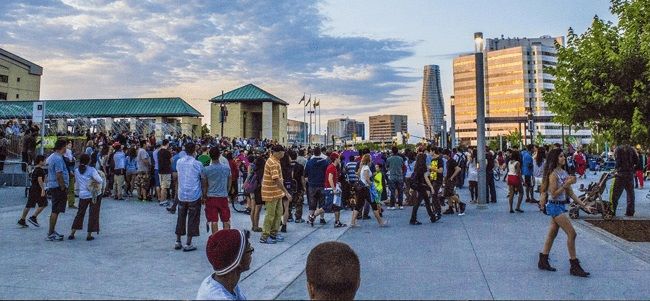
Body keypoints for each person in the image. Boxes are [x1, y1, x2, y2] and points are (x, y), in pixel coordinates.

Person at [538, 148, 592, 277]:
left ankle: (543, 260)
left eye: (564, 156)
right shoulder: (553, 175)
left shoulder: (563, 172)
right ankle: (574, 265)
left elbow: (571, 193)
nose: (563, 158)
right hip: (555, 206)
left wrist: (584, 206)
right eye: (561, 156)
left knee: (552, 234)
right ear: (555, 158)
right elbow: (554, 194)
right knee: (572, 234)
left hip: (560, 206)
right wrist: (566, 184)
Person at [196, 229, 253, 300]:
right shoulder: (220, 297)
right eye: (249, 250)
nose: (251, 253)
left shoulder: (225, 281)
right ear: (238, 262)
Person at [175, 142, 207, 252]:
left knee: (181, 216)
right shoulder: (198, 164)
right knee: (193, 218)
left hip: (182, 193)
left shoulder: (179, 162)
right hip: (194, 193)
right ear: (194, 150)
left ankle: (178, 240)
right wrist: (204, 193)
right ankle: (188, 243)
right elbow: (202, 179)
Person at [260, 145, 292, 244]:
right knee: (270, 215)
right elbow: (277, 180)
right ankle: (265, 236)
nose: (284, 154)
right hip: (271, 193)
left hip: (277, 192)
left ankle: (273, 233)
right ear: (278, 153)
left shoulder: (276, 161)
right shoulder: (272, 162)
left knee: (278, 213)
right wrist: (286, 192)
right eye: (283, 152)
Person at [69, 154, 105, 241]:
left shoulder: (77, 170)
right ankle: (89, 235)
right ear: (88, 161)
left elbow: (77, 182)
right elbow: (100, 180)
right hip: (93, 194)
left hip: (82, 194)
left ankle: (72, 233)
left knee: (80, 214)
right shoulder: (92, 170)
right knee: (93, 214)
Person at [310, 152, 347, 228]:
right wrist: (334, 189)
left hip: (332, 188)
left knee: (337, 206)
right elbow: (330, 179)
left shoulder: (333, 167)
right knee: (327, 206)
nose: (340, 159)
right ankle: (312, 216)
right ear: (336, 159)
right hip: (330, 189)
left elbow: (332, 179)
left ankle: (337, 222)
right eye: (339, 158)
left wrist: (337, 183)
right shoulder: (331, 167)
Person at [350, 154, 386, 227]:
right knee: (374, 205)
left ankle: (352, 222)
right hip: (366, 189)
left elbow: (358, 174)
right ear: (368, 160)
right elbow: (367, 179)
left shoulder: (363, 167)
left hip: (361, 189)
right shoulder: (366, 168)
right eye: (371, 158)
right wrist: (371, 184)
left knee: (358, 206)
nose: (372, 159)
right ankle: (381, 222)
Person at [46, 139, 70, 241]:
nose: (67, 148)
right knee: (55, 210)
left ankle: (52, 231)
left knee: (55, 209)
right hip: (58, 187)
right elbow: (59, 174)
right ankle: (50, 232)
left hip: (53, 185)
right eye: (66, 146)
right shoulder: (58, 159)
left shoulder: (52, 157)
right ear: (62, 147)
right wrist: (63, 187)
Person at [204, 146, 231, 234]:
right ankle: (226, 239)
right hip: (223, 196)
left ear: (210, 156)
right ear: (219, 155)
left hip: (211, 197)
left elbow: (205, 185)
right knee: (226, 219)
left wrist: (204, 195)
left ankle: (215, 240)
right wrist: (227, 191)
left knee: (214, 220)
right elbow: (229, 182)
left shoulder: (206, 170)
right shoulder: (226, 168)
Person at [18, 155, 47, 228]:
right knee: (44, 203)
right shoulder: (40, 170)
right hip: (38, 189)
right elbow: (40, 180)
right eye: (44, 160)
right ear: (40, 161)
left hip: (32, 188)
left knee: (29, 204)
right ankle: (33, 217)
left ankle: (22, 219)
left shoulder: (35, 169)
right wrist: (43, 189)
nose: (45, 162)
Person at [409, 153, 438, 225]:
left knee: (427, 201)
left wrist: (411, 188)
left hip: (418, 186)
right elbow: (426, 178)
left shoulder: (417, 166)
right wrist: (431, 187)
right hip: (421, 186)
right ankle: (413, 219)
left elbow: (414, 177)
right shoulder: (423, 167)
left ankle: (432, 217)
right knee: (418, 203)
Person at [610, 143, 638, 216]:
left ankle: (612, 211)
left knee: (615, 194)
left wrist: (616, 169)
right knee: (630, 194)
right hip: (630, 174)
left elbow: (617, 162)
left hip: (620, 174)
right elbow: (636, 160)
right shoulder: (631, 149)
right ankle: (630, 212)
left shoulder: (618, 149)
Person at [305, 147, 329, 226]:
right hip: (322, 185)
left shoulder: (309, 162)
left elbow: (305, 176)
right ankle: (322, 219)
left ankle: (311, 219)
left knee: (312, 204)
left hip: (312, 185)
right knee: (322, 203)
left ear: (313, 153)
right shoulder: (325, 162)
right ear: (320, 153)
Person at [441, 149, 466, 216]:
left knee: (450, 193)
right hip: (448, 179)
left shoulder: (452, 161)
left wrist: (452, 177)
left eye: (444, 154)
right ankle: (450, 208)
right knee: (447, 194)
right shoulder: (448, 161)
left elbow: (458, 169)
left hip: (451, 180)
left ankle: (461, 204)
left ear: (448, 154)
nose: (443, 155)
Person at [288, 150, 305, 223]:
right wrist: (304, 187)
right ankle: (298, 218)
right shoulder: (300, 166)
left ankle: (288, 216)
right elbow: (302, 178)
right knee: (299, 203)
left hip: (288, 187)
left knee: (288, 202)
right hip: (298, 186)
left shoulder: (286, 166)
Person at [158, 139, 173, 206]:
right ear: (167, 144)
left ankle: (163, 200)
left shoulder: (159, 151)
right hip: (166, 171)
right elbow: (171, 161)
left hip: (160, 170)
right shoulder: (167, 152)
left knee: (162, 186)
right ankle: (162, 200)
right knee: (165, 187)